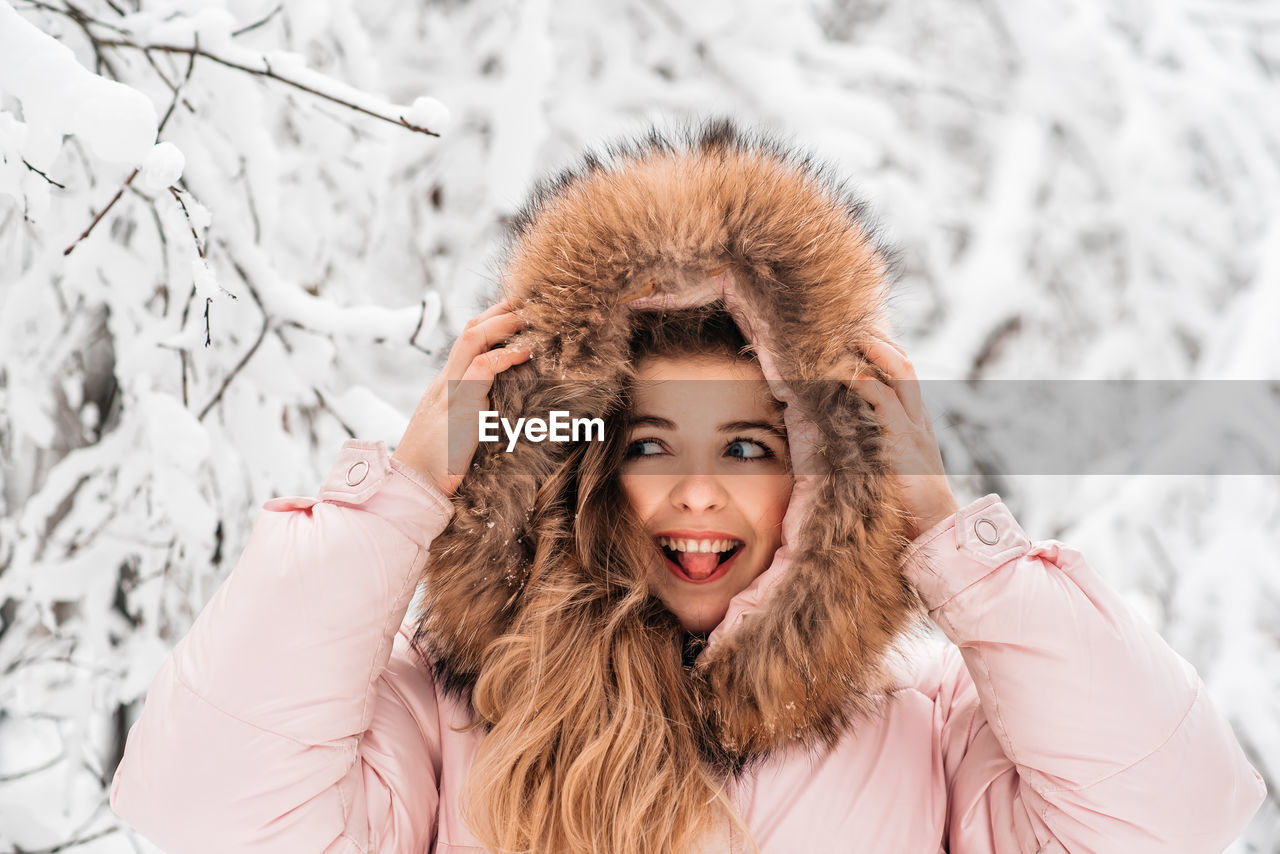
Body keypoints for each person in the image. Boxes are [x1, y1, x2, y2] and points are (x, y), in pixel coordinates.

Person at [110, 119, 1267, 853]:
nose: (698, 493)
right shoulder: (446, 717)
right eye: (649, 444)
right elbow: (209, 810)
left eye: (753, 448)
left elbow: (1175, 816)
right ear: (584, 465)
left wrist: (943, 525)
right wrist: (410, 488)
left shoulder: (925, 729)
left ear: (823, 481)